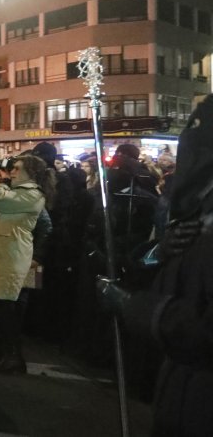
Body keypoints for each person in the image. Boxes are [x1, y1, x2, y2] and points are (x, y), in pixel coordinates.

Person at [98, 95, 213, 436]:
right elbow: (152, 262)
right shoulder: (192, 211)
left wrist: (135, 307)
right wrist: (158, 253)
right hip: (180, 390)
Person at [0, 155, 54, 374]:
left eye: (16, 168)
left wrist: (3, 179)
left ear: (30, 173)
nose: (11, 171)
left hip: (10, 258)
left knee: (6, 311)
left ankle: (14, 357)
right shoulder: (13, 192)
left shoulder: (33, 195)